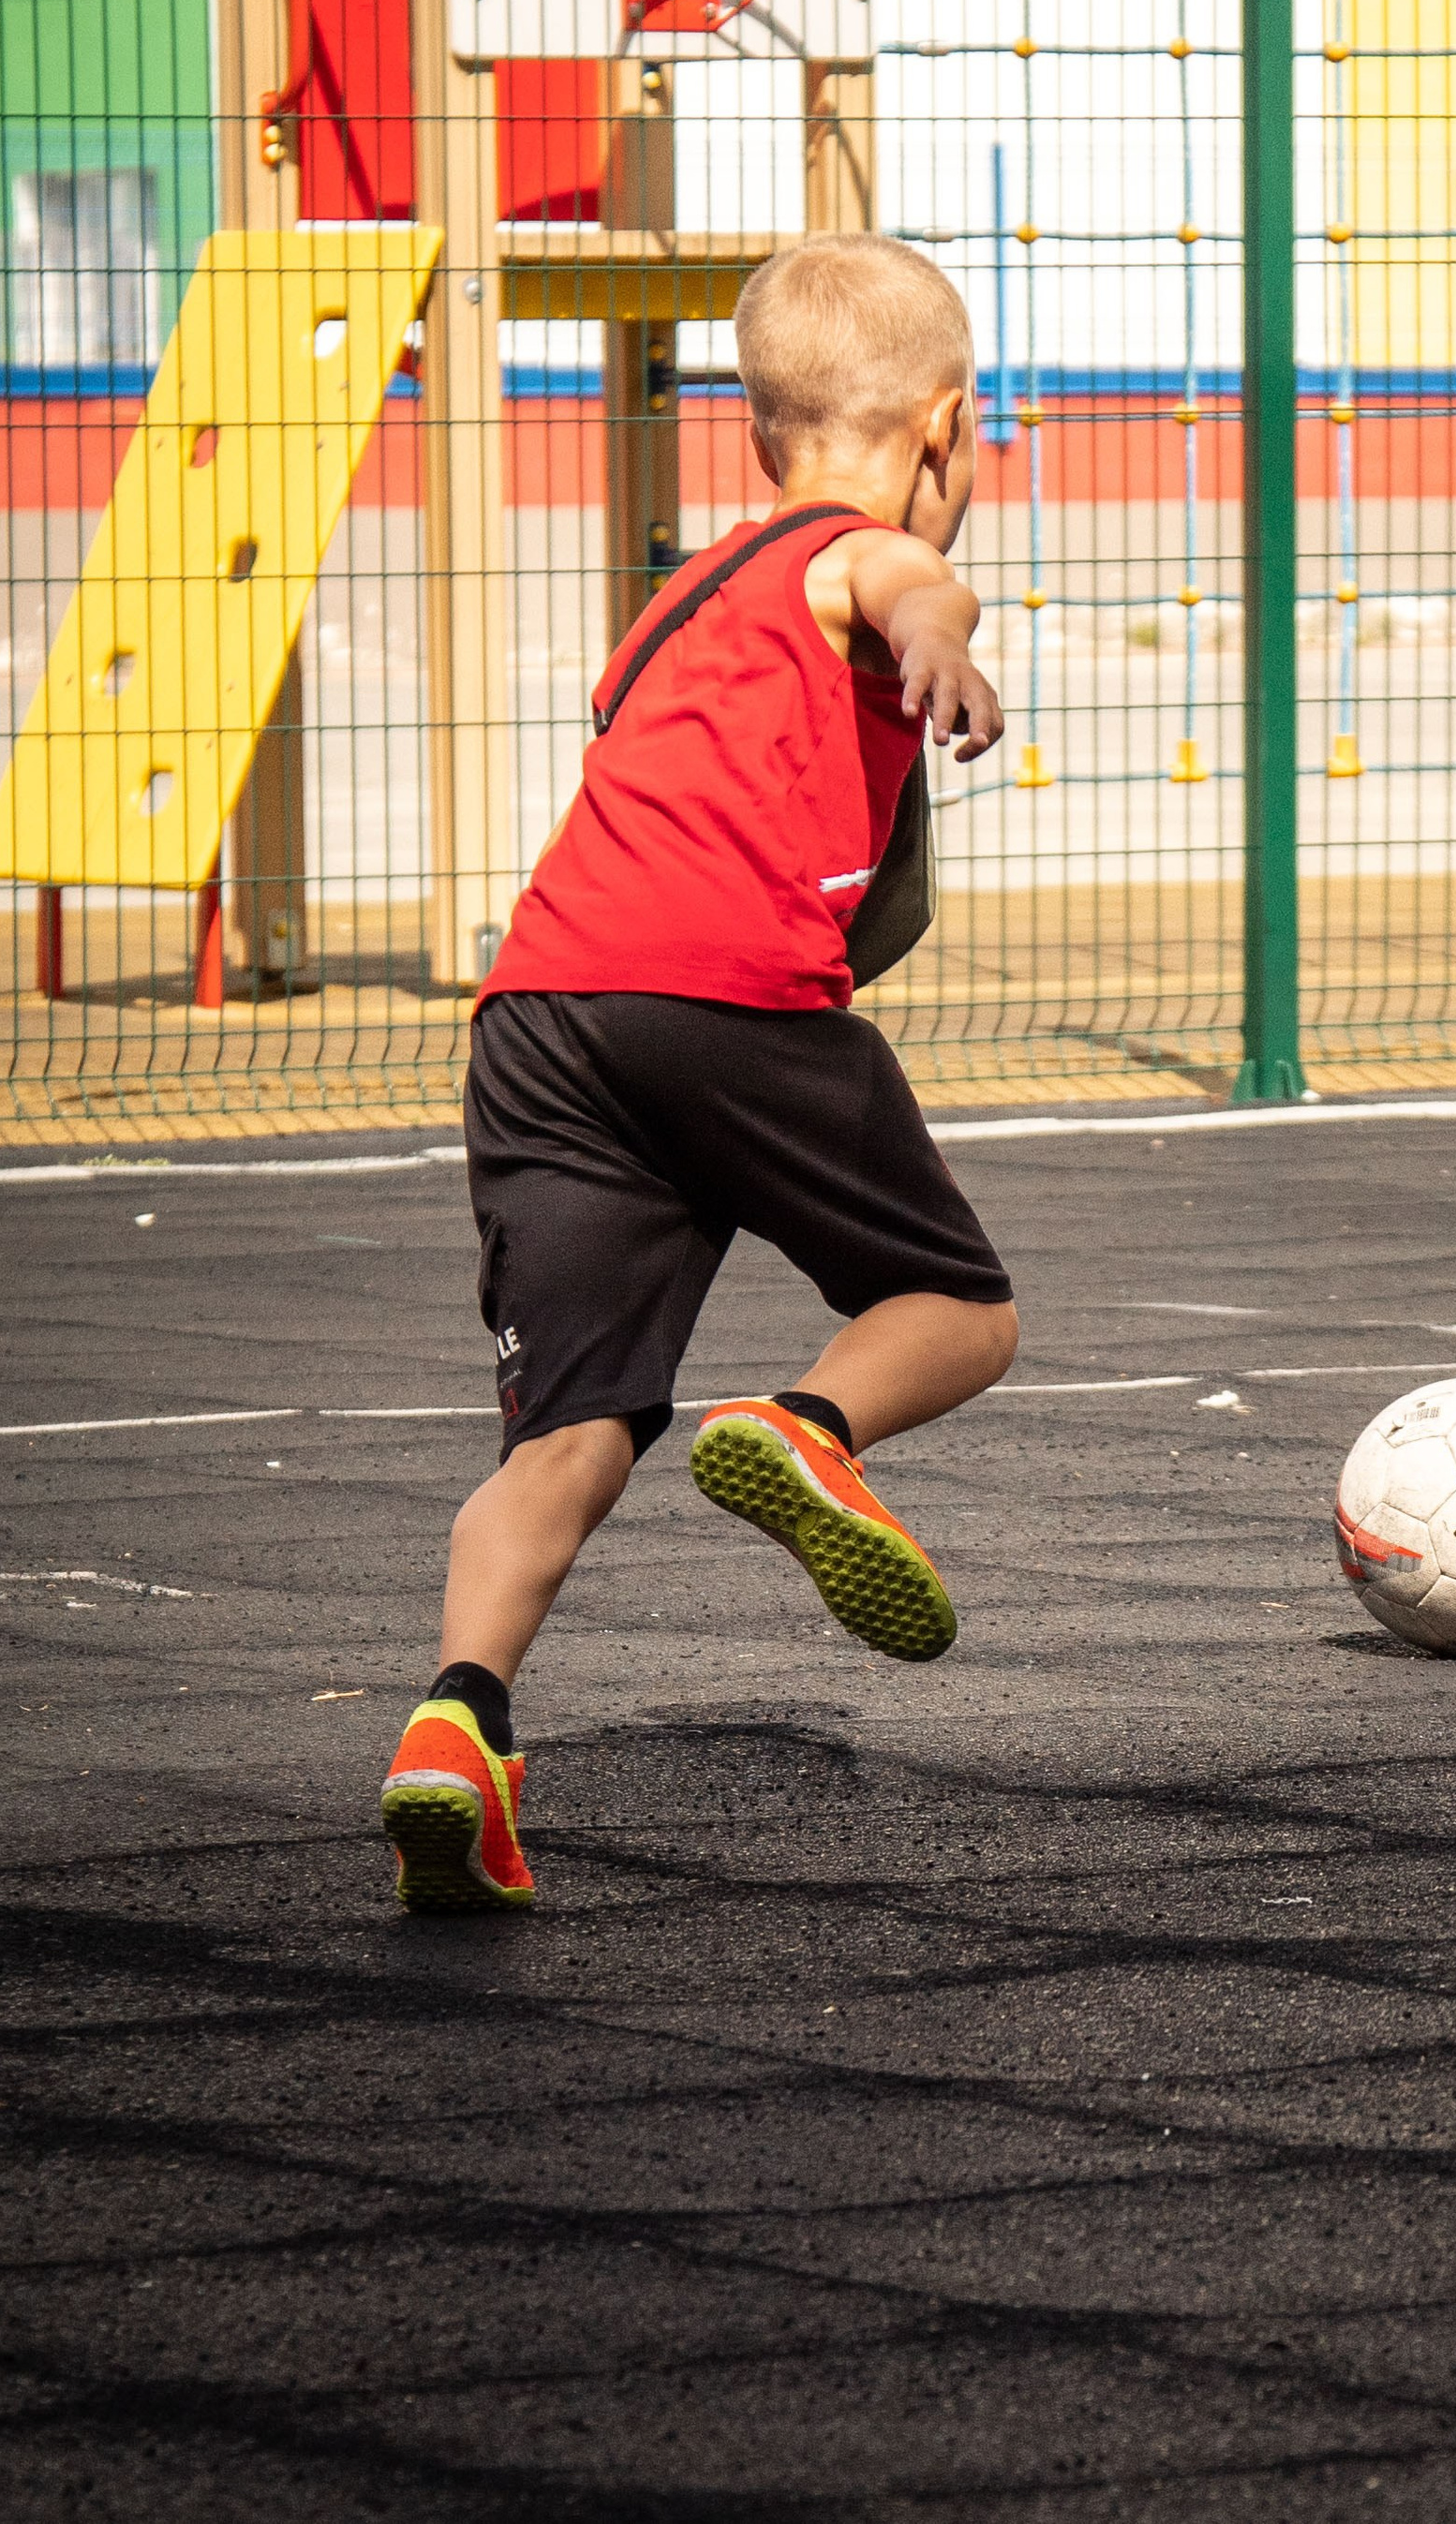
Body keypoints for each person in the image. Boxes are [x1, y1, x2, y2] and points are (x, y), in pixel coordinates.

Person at [379, 234, 1019, 1912]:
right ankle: (806, 1427)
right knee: (958, 1311)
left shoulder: (673, 600)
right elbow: (903, 589)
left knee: (567, 1437)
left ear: (750, 434)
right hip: (718, 1000)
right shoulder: (867, 559)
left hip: (540, 1016)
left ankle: (458, 1727)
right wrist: (943, 634)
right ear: (950, 425)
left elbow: (679, 787)